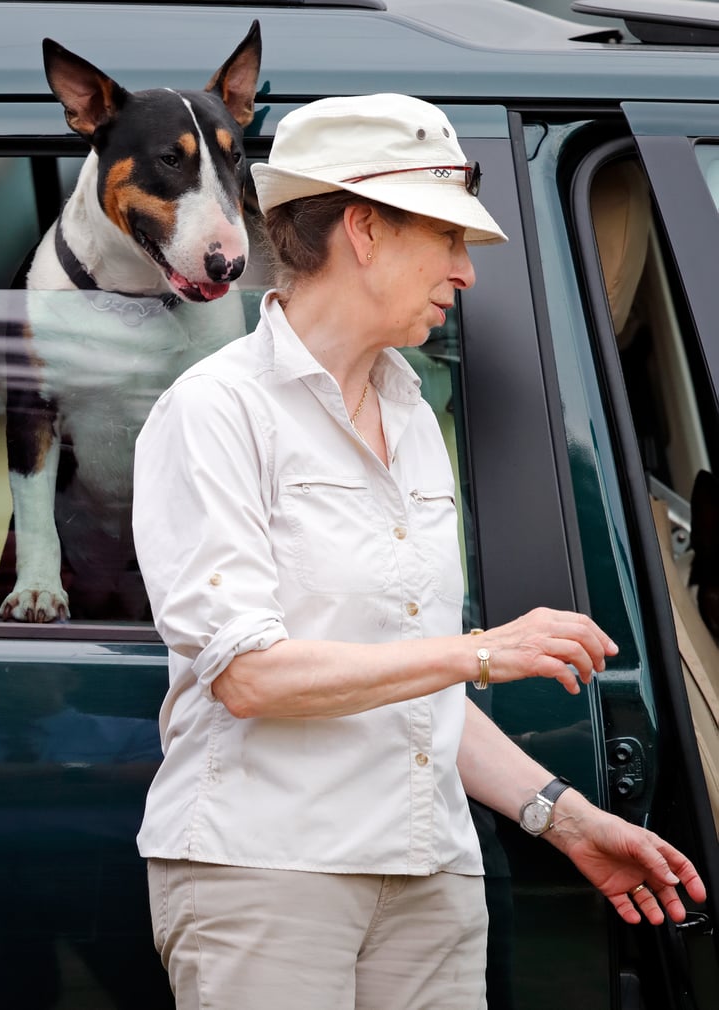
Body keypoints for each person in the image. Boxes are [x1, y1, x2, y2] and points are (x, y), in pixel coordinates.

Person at [131, 93, 706, 1010]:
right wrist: (483, 651)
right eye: (447, 240)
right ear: (363, 227)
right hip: (273, 876)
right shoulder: (216, 411)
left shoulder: (412, 414)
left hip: (430, 873)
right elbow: (249, 677)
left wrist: (564, 818)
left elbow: (413, 690)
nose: (465, 274)